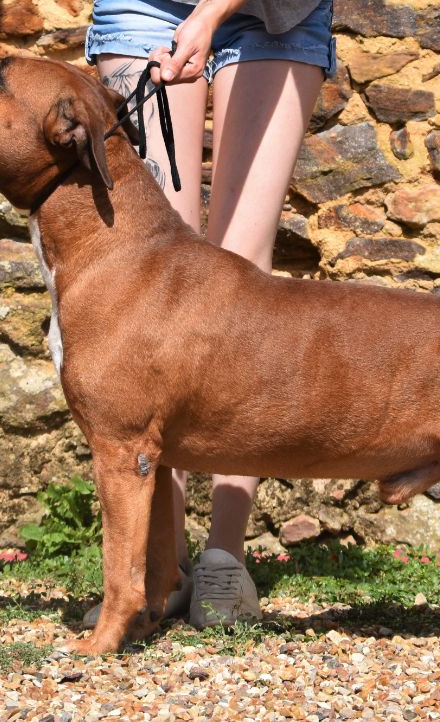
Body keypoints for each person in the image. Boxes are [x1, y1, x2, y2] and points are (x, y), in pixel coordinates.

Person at [82, 0, 334, 629]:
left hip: (279, 11)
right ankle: (157, 570)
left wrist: (212, 12)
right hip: (144, 7)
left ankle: (224, 553)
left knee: (241, 272)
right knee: (150, 270)